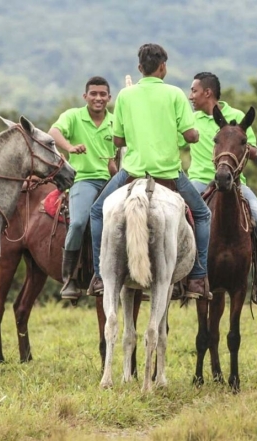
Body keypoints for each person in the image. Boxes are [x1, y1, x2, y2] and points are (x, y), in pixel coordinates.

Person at [87, 43, 211, 300]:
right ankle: (198, 276)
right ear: (163, 67)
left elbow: (118, 141)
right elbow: (191, 135)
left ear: (140, 68)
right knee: (202, 214)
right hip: (169, 174)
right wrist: (194, 133)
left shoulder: (125, 96)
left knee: (97, 211)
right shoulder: (176, 94)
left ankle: (99, 275)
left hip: (131, 173)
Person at [184, 72, 257, 305]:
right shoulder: (190, 119)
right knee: (177, 219)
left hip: (235, 182)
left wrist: (240, 141)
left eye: (194, 91)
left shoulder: (236, 116)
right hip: (198, 181)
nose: (191, 96)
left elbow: (253, 151)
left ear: (208, 92)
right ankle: (180, 278)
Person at [48, 76, 115, 300]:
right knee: (77, 223)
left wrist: (115, 165)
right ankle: (70, 278)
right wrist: (69, 147)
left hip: (111, 181)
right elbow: (53, 133)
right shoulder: (73, 116)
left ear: (109, 97)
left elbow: (124, 147)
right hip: (84, 179)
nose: (98, 98)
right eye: (93, 94)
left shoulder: (115, 122)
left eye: (102, 94)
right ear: (85, 96)